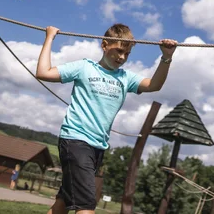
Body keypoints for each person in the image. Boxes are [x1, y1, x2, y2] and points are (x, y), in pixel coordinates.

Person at [36, 23, 177, 214]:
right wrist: (50, 37)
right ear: (104, 46)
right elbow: (43, 73)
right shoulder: (84, 67)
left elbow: (154, 85)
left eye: (127, 54)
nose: (122, 57)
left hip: (98, 147)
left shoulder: (125, 77)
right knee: (86, 206)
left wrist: (166, 58)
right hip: (76, 141)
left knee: (63, 202)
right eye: (119, 51)